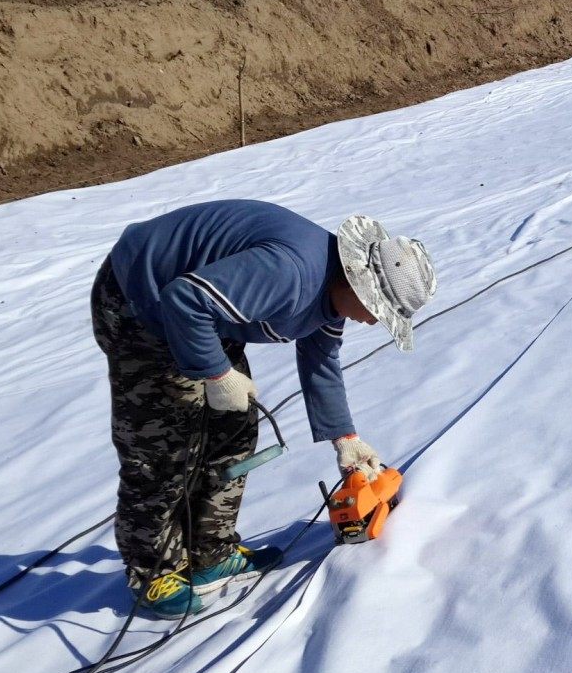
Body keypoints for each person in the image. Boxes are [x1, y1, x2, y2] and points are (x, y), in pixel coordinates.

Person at [91, 200, 437, 618]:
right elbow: (184, 299)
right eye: (376, 313)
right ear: (360, 286)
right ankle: (154, 572)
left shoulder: (331, 294)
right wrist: (217, 374)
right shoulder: (289, 273)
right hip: (142, 299)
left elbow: (321, 361)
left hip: (205, 311)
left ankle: (211, 553)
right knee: (164, 446)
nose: (371, 322)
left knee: (234, 428)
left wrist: (345, 438)